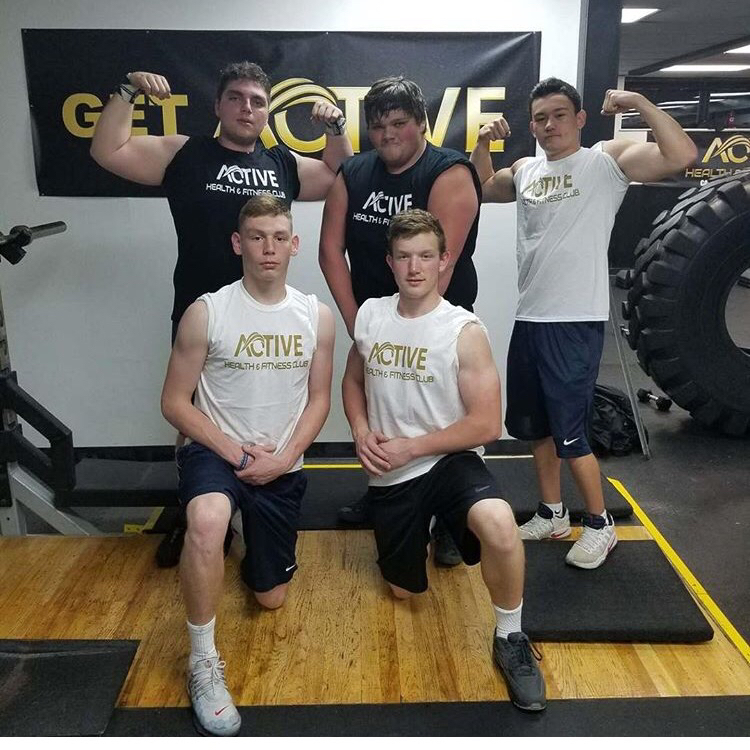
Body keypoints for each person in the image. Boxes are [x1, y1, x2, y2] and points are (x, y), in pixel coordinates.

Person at [91, 61, 351, 567]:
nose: (246, 108)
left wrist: (336, 128)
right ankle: (198, 510)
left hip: (268, 314)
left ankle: (255, 500)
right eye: (235, 98)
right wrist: (126, 89)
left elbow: (336, 173)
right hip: (203, 311)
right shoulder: (185, 153)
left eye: (257, 101)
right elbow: (108, 151)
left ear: (267, 111)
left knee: (265, 407)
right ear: (218, 106)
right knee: (193, 416)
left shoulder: (282, 162)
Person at [470, 79, 697, 568]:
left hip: (575, 320)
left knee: (571, 434)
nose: (549, 125)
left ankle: (599, 523)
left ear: (579, 119)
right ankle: (552, 513)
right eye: (540, 118)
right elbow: (482, 190)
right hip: (530, 316)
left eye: (558, 115)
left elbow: (681, 155)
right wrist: (483, 143)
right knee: (537, 428)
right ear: (532, 126)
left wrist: (637, 102)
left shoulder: (604, 162)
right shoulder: (526, 169)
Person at [341, 209, 545, 712]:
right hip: (393, 473)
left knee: (500, 524)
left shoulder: (463, 330)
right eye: (404, 257)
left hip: (449, 460)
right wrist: (362, 431)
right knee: (402, 591)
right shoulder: (371, 316)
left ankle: (511, 636)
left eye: (425, 256)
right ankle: (436, 527)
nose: (415, 268)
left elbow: (486, 425)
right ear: (390, 262)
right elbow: (352, 381)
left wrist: (412, 446)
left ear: (443, 260)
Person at [160, 194, 335, 735]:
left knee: (270, 598)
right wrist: (235, 454)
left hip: (280, 462)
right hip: (218, 452)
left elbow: (320, 401)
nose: (268, 249)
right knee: (207, 519)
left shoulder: (316, 317)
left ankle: (240, 533)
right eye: (257, 237)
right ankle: (202, 661)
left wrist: (283, 459)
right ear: (239, 243)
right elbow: (175, 403)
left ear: (294, 245)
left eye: (279, 238)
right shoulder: (207, 311)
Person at [319, 76, 482, 566]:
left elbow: (439, 267)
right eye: (377, 126)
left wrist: (408, 330)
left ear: (422, 123)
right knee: (383, 412)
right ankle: (384, 488)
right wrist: (359, 325)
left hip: (437, 323)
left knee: (441, 417)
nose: (387, 134)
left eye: (398, 123)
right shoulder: (353, 173)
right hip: (375, 321)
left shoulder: (449, 172)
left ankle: (453, 517)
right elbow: (330, 251)